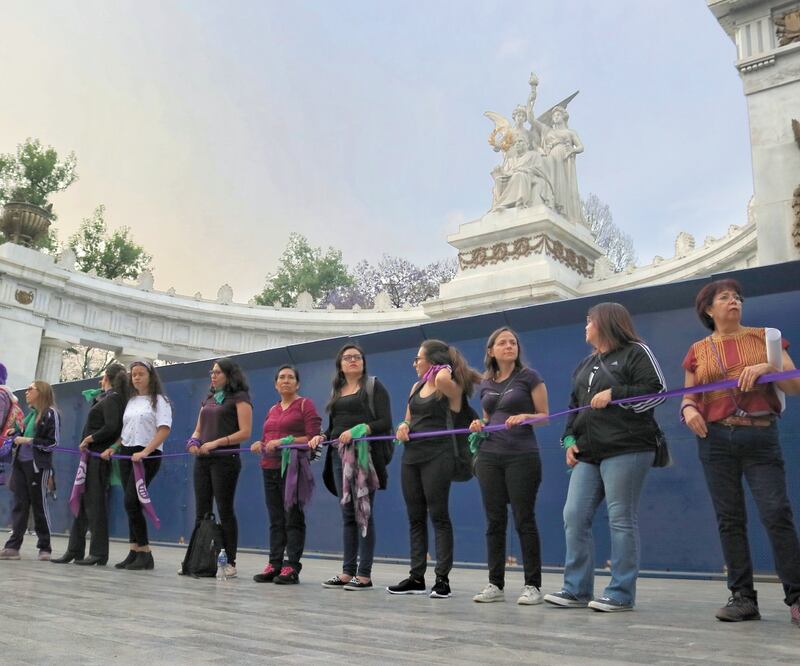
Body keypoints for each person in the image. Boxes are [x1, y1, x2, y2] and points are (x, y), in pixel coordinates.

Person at [681, 279, 800, 626]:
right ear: (708, 308)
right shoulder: (697, 350)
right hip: (715, 440)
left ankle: (796, 596)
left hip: (760, 437)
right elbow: (690, 397)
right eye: (725, 297)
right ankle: (743, 598)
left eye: (737, 297)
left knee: (776, 513)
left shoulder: (766, 338)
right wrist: (688, 412)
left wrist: (768, 366)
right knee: (729, 519)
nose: (734, 301)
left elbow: (794, 386)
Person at [544, 302, 666, 612]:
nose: (585, 326)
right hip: (589, 452)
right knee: (573, 516)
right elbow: (574, 407)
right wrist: (569, 439)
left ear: (606, 323)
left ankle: (621, 592)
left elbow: (657, 390)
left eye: (589, 321)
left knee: (621, 518)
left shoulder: (637, 352)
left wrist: (616, 393)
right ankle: (576, 589)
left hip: (628, 447)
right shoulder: (585, 365)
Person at [388, 339, 480, 599]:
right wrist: (402, 427)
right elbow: (407, 419)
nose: (415, 363)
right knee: (415, 517)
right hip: (412, 456)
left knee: (438, 515)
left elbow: (441, 381)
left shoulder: (449, 386)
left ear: (432, 361)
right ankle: (416, 576)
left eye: (418, 358)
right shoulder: (416, 387)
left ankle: (442, 579)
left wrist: (444, 369)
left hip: (438, 455)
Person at [469, 327, 550, 605]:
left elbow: (544, 417)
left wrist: (527, 415)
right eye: (502, 343)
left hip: (522, 455)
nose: (508, 346)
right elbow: (489, 417)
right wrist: (479, 424)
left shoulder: (530, 377)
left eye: (513, 342)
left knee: (524, 519)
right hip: (490, 456)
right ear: (491, 351)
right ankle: (495, 584)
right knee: (494, 521)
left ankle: (533, 585)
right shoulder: (486, 383)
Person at [311, 344, 392, 591]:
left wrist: (360, 429)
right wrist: (321, 437)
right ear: (340, 364)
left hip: (364, 456)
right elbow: (333, 426)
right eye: (348, 358)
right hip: (338, 456)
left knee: (363, 513)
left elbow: (385, 421)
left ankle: (364, 575)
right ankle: (347, 572)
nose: (353, 360)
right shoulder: (337, 390)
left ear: (363, 362)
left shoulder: (373, 386)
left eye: (357, 357)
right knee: (347, 513)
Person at [52, 364, 129, 566]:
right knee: (84, 502)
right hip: (91, 456)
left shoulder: (113, 399)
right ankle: (74, 549)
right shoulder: (107, 398)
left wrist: (90, 438)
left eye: (103, 377)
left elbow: (112, 426)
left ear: (108, 378)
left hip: (98, 456)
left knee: (95, 505)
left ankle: (98, 552)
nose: (99, 381)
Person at [251, 365, 321, 585]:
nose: (286, 380)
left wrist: (284, 441)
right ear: (276, 384)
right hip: (269, 467)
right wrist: (260, 445)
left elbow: (313, 437)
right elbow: (267, 439)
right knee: (276, 519)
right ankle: (275, 563)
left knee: (293, 517)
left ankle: (291, 566)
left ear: (297, 384)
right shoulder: (272, 409)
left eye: (291, 377)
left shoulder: (304, 405)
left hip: (292, 468)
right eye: (282, 377)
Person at [187, 358, 252, 579]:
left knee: (225, 510)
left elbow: (245, 432)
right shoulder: (209, 398)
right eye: (212, 372)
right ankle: (197, 559)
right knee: (201, 510)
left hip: (225, 459)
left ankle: (229, 561)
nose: (213, 376)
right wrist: (193, 441)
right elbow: (198, 429)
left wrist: (217, 443)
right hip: (203, 460)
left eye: (218, 372)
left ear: (229, 375)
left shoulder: (240, 398)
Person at [102, 360, 171, 571]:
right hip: (127, 453)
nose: (137, 377)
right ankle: (134, 551)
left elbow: (164, 429)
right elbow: (126, 431)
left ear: (151, 376)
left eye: (141, 374)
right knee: (129, 502)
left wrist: (145, 452)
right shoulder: (131, 401)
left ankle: (146, 552)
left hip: (146, 455)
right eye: (134, 375)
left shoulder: (160, 401)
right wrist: (114, 447)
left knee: (133, 501)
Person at [0, 380, 59, 561]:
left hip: (37, 465)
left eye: (30, 389)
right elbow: (22, 432)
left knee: (39, 504)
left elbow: (53, 442)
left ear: (40, 392)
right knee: (20, 504)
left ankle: (45, 547)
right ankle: (13, 547)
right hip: (21, 463)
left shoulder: (51, 414)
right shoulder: (31, 414)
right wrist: (14, 433)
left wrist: (28, 441)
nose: (26, 392)